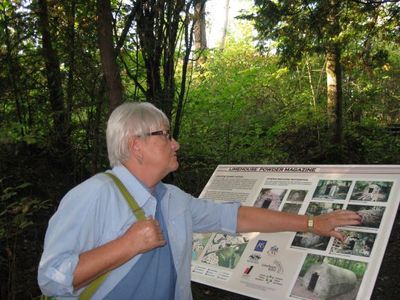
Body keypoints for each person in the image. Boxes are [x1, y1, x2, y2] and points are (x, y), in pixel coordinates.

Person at [38, 102, 361, 299]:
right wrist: (127, 245)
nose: (175, 143)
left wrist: (312, 223)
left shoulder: (171, 198)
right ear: (135, 145)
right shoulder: (94, 195)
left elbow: (236, 218)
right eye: (164, 135)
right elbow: (51, 278)